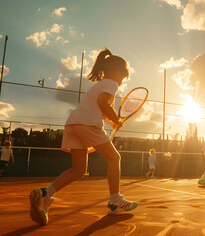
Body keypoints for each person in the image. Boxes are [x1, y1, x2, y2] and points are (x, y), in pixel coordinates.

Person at [29, 48, 138, 225]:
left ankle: (45, 195)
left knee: (79, 170)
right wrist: (116, 118)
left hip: (74, 123)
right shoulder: (111, 84)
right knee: (114, 158)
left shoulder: (99, 85)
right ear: (119, 72)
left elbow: (99, 108)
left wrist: (112, 122)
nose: (121, 81)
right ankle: (115, 202)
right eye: (123, 77)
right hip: (87, 124)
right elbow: (103, 103)